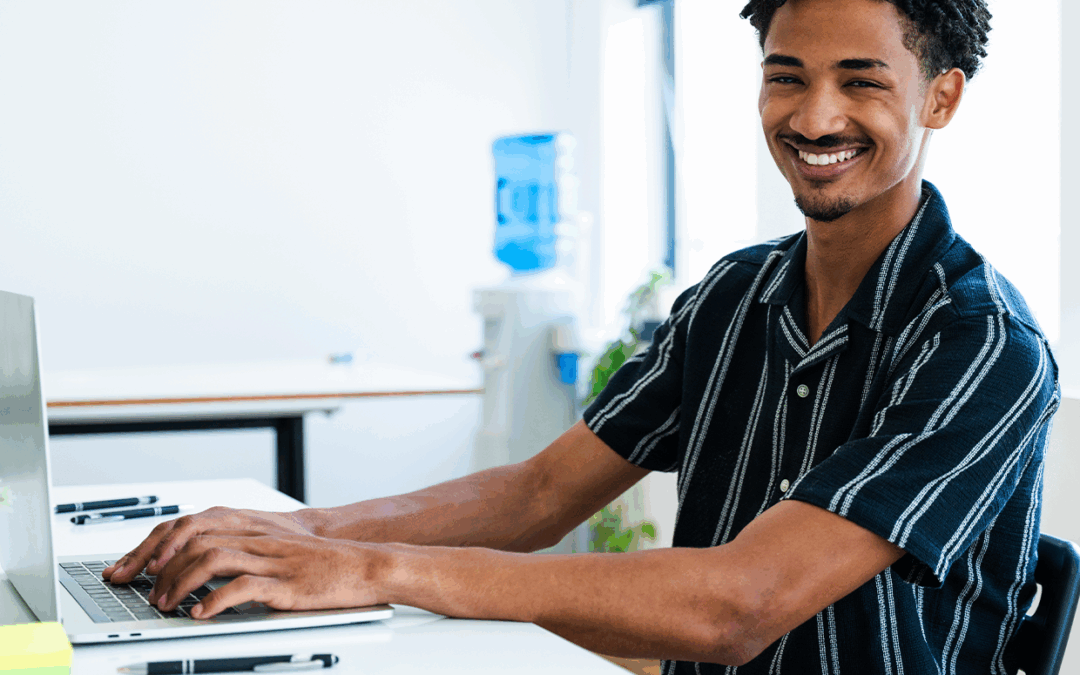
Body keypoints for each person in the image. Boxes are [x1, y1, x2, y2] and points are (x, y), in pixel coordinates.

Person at [104, 0, 1060, 672]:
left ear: (941, 97)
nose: (814, 117)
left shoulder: (981, 344)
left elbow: (740, 604)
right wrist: (290, 535)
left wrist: (369, 567)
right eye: (786, 78)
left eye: (862, 82)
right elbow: (539, 492)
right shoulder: (735, 295)